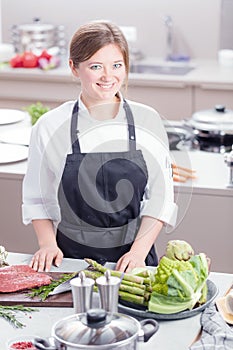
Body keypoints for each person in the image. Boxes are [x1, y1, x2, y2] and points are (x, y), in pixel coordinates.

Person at [22, 20, 178, 273]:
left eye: (117, 65)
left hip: (133, 261)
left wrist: (137, 254)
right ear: (74, 67)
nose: (108, 76)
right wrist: (47, 244)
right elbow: (37, 197)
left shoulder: (147, 120)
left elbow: (160, 198)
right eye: (96, 66)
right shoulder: (49, 126)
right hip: (70, 261)